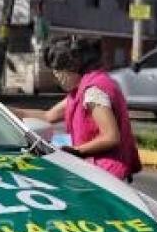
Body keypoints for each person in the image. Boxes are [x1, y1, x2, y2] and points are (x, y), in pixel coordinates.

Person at [12, 36, 141, 182]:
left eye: (58, 74)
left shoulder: (93, 91)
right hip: (97, 169)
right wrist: (6, 111)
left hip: (106, 172)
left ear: (71, 69)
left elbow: (111, 137)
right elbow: (49, 116)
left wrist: (75, 151)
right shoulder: (83, 88)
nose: (57, 80)